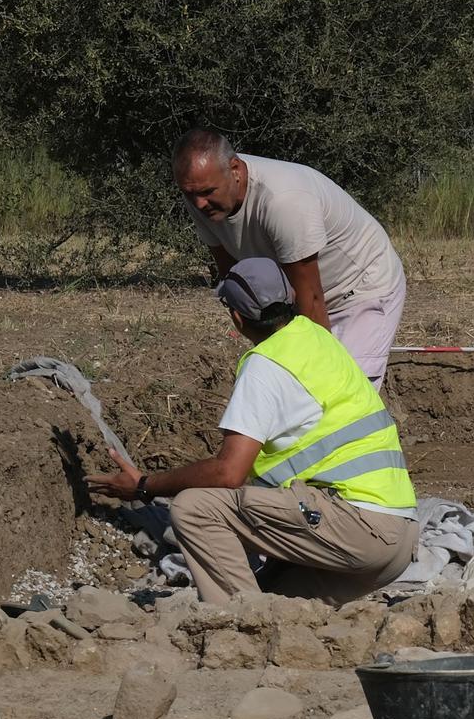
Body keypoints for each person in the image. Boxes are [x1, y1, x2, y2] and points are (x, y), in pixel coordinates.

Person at [89, 258, 419, 605]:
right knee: (278, 604)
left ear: (236, 317)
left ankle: (238, 626)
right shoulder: (317, 339)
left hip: (359, 530)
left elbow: (229, 473)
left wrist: (144, 486)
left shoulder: (266, 364)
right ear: (291, 296)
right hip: (397, 543)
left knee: (194, 508)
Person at [172, 128, 407, 388]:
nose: (199, 204)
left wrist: (314, 373)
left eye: (207, 192)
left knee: (343, 392)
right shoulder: (200, 196)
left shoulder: (284, 201)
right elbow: (236, 281)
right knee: (293, 389)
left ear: (235, 169)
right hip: (302, 296)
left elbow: (313, 300)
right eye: (189, 193)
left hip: (360, 287)